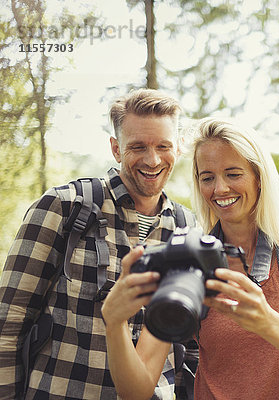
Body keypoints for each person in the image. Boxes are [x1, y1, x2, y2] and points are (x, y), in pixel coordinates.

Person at [102, 117, 279, 399]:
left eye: (233, 174)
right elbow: (136, 390)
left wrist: (267, 321)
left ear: (258, 177)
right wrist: (114, 323)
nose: (219, 189)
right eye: (208, 178)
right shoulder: (187, 261)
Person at [0, 89, 195, 399]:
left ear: (178, 148)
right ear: (116, 149)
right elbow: (7, 327)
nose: (153, 159)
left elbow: (192, 345)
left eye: (163, 146)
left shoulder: (188, 229)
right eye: (138, 147)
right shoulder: (63, 207)